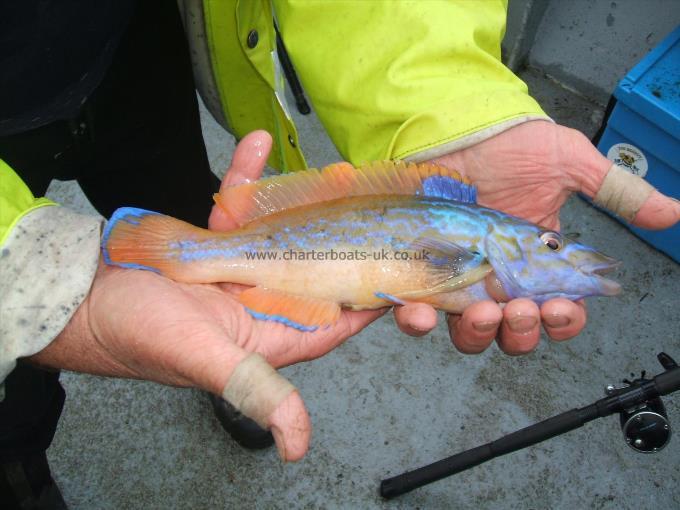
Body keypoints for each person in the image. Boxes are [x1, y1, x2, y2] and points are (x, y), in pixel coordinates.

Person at [1, 0, 678, 507]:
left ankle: (205, 286)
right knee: (19, 365)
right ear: (514, 246)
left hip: (136, 43)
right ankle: (18, 457)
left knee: (188, 199)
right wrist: (38, 287)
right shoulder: (469, 257)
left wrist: (459, 111)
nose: (560, 251)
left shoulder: (476, 249)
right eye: (552, 244)